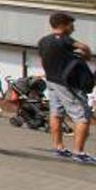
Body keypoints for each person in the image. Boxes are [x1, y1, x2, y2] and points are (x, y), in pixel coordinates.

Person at [38, 12, 94, 164]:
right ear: (63, 25)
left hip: (51, 81)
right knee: (82, 116)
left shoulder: (43, 41)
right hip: (67, 84)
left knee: (56, 113)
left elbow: (42, 61)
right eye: (71, 24)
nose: (73, 28)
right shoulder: (64, 40)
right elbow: (84, 47)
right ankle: (79, 152)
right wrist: (86, 54)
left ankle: (59, 147)